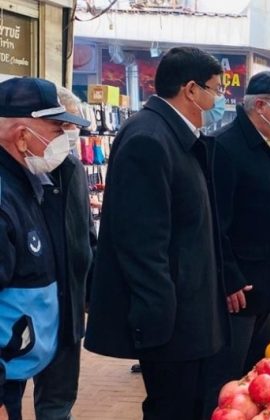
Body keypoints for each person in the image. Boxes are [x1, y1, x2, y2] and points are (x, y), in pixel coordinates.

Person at [84, 47, 230, 419]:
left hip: (190, 313)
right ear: (192, 90)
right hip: (173, 322)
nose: (220, 99)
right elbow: (141, 242)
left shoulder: (176, 135)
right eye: (217, 89)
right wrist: (159, 320)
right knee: (172, 408)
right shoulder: (149, 138)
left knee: (191, 404)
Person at [204, 71, 270, 416]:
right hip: (241, 291)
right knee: (226, 382)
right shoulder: (225, 147)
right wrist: (229, 276)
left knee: (258, 378)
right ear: (259, 105)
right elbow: (214, 223)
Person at [0, 77, 89, 420]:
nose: (62, 140)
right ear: (22, 135)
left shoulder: (28, 181)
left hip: (48, 330)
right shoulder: (8, 193)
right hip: (11, 354)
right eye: (56, 129)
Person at [29, 87, 95, 420]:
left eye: (73, 131)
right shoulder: (15, 173)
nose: (70, 137)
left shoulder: (71, 168)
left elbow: (86, 233)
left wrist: (90, 290)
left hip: (67, 304)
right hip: (23, 308)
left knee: (58, 396)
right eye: (62, 129)